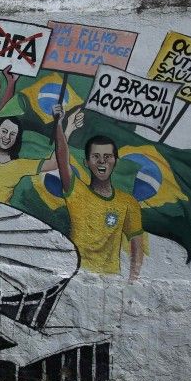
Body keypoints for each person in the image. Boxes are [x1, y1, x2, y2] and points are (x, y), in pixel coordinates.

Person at [54, 113, 145, 281]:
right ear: (86, 162)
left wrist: (133, 281)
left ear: (115, 161)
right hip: (74, 277)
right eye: (96, 156)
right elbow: (62, 156)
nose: (102, 161)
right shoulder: (76, 191)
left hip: (110, 282)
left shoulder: (127, 203)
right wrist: (59, 124)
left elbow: (137, 245)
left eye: (107, 156)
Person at [0, 107, 82, 203]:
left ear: (17, 139)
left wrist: (67, 128)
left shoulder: (21, 165)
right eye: (4, 131)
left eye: (12, 134)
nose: (7, 137)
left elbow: (54, 162)